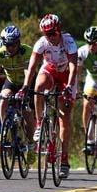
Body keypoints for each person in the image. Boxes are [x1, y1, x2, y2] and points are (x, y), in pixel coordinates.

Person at [16, 14, 78, 178]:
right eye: (46, 34)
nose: (49, 37)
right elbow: (31, 67)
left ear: (59, 30)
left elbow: (73, 68)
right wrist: (24, 87)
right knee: (38, 86)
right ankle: (39, 123)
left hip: (66, 75)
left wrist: (69, 86)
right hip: (50, 70)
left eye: (52, 33)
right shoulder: (41, 44)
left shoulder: (69, 42)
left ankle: (64, 160)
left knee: (64, 118)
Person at [0, 25, 35, 160]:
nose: (11, 48)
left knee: (27, 114)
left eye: (14, 44)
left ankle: (32, 146)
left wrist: (25, 88)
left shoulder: (26, 51)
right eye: (8, 45)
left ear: (19, 42)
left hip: (27, 82)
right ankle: (4, 129)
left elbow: (28, 72)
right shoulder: (0, 54)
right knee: (3, 99)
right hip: (11, 82)